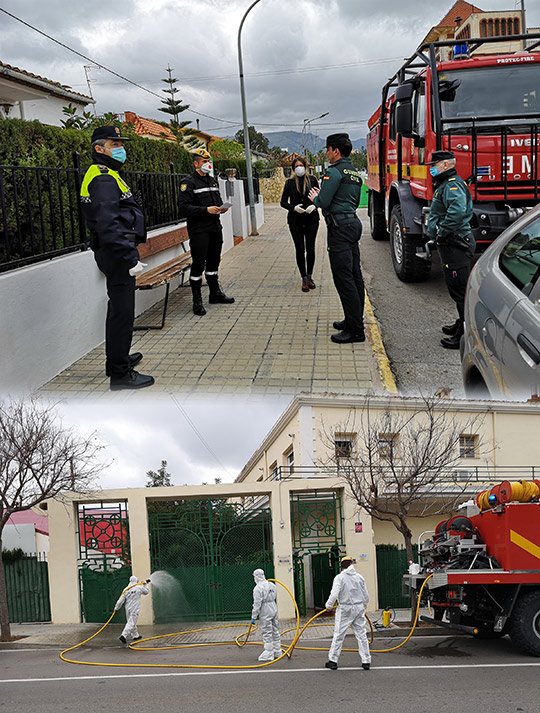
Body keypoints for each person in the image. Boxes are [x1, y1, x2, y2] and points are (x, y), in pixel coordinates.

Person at [80, 126, 154, 390]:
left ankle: (118, 360)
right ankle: (120, 375)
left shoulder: (108, 174)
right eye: (114, 143)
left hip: (115, 250)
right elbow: (107, 223)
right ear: (99, 149)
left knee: (119, 312)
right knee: (123, 314)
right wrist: (128, 257)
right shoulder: (102, 178)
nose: (120, 148)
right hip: (116, 252)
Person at [308, 134, 365, 344]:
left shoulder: (333, 172)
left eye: (327, 149)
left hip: (339, 229)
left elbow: (323, 200)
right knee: (355, 276)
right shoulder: (355, 173)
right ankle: (353, 320)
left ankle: (355, 331)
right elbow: (354, 201)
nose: (326, 153)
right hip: (352, 223)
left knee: (344, 278)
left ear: (336, 151)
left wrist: (316, 197)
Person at [426, 150, 475, 350]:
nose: (432, 168)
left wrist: (442, 232)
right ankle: (460, 322)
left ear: (446, 165)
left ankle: (465, 332)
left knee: (460, 290)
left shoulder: (452, 184)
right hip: (451, 243)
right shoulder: (446, 184)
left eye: (435, 164)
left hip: (455, 243)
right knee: (456, 288)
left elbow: (456, 212)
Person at [177, 148, 234, 316]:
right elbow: (183, 207)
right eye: (204, 161)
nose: (207, 164)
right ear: (196, 164)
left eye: (208, 161)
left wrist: (220, 208)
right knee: (198, 264)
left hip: (215, 228)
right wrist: (205, 210)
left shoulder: (212, 181)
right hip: (199, 230)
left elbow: (216, 201)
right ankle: (197, 301)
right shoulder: (188, 183)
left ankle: (215, 294)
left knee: (214, 262)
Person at [280, 156, 320, 292]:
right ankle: (303, 278)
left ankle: (310, 277)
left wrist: (314, 206)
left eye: (301, 165)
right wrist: (293, 208)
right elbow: (283, 202)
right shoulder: (289, 183)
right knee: (299, 249)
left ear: (305, 167)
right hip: (295, 221)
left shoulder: (313, 180)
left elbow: (320, 197)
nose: (299, 168)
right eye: (296, 166)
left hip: (312, 220)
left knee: (311, 248)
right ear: (293, 168)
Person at [324, 556, 370, 671]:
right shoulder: (359, 577)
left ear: (342, 565)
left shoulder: (339, 578)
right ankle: (366, 661)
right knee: (361, 635)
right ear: (351, 563)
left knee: (339, 635)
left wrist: (328, 606)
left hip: (345, 608)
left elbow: (334, 594)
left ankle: (333, 661)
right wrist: (363, 606)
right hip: (358, 607)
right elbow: (366, 595)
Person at [251, 568, 281, 661]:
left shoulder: (258, 588)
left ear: (256, 576)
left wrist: (254, 616)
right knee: (275, 629)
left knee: (267, 631)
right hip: (273, 607)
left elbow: (257, 603)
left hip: (265, 609)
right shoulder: (271, 584)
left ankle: (268, 653)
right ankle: (277, 651)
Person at [114, 575, 150, 644]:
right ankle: (123, 635)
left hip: (128, 608)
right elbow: (146, 592)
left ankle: (135, 635)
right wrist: (145, 585)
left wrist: (116, 608)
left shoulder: (126, 589)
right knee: (131, 622)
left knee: (130, 622)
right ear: (136, 580)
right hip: (135, 608)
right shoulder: (139, 587)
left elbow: (120, 601)